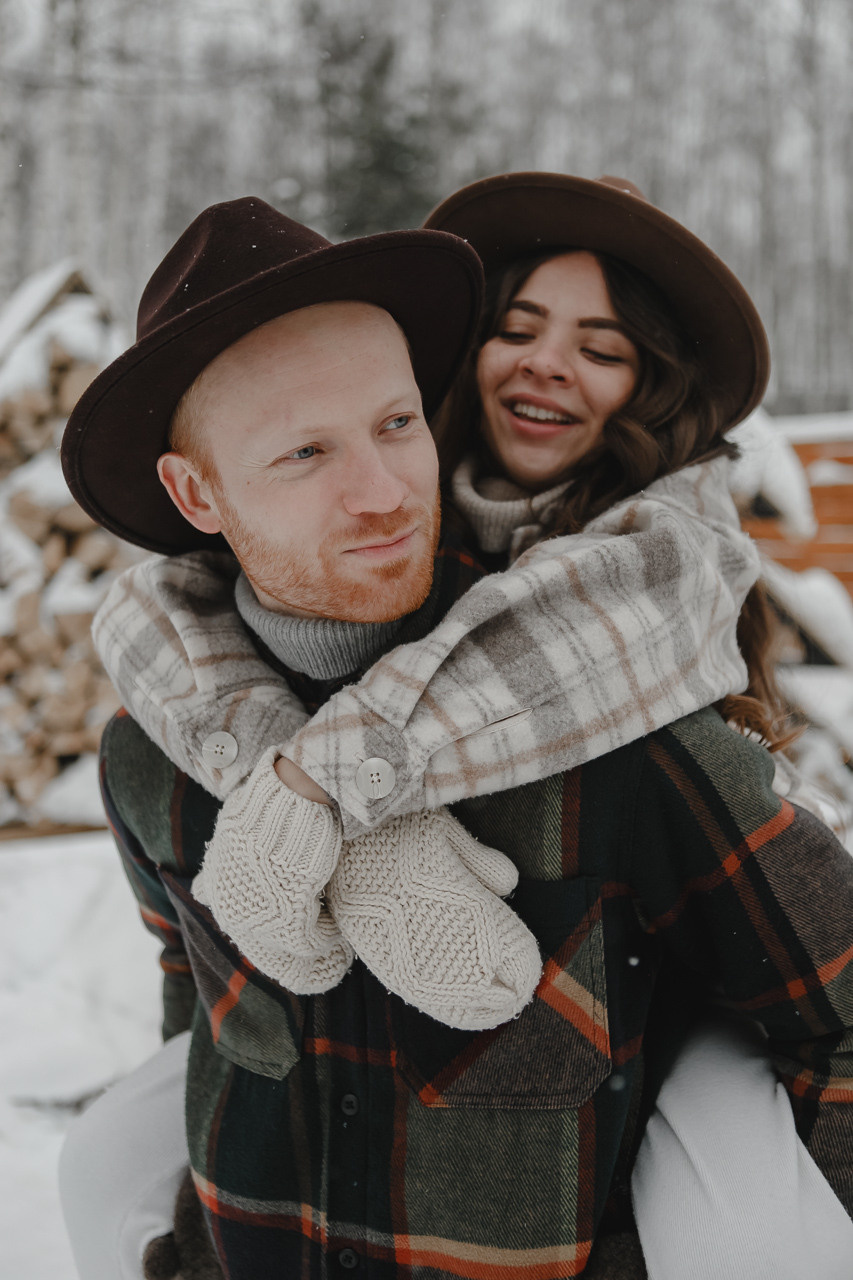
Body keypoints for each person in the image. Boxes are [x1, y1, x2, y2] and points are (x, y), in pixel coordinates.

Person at [58, 181, 853, 1280]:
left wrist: (335, 790)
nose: (382, 492)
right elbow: (197, 985)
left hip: (656, 1058)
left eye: (393, 425)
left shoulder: (639, 650)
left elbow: (828, 996)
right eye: (516, 329)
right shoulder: (159, 736)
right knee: (97, 1165)